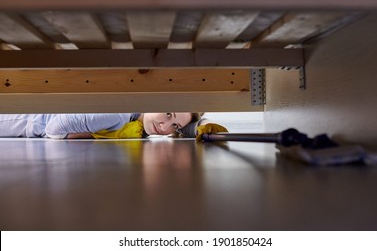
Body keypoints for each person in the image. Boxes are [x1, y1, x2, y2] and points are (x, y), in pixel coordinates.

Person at [0, 113, 228, 140]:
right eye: (167, 113)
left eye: (174, 125)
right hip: (14, 121)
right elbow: (53, 128)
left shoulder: (136, 125)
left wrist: (204, 125)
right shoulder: (118, 116)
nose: (164, 125)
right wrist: (88, 135)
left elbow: (186, 127)